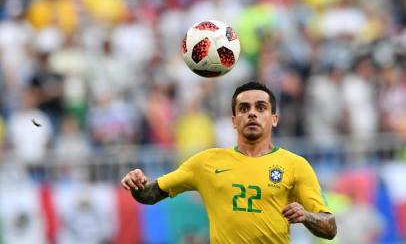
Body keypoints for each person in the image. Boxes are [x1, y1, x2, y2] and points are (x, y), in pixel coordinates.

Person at [121, 81, 337, 243]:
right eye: (244, 108)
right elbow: (149, 195)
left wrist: (306, 216)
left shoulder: (295, 165)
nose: (252, 113)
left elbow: (330, 228)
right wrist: (137, 185)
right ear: (234, 121)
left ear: (274, 118)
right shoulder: (205, 162)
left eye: (261, 107)